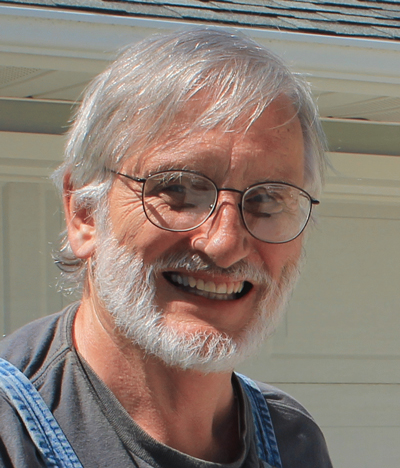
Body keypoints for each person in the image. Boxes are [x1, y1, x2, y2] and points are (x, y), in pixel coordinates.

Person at [0, 27, 332, 467]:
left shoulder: (293, 440)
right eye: (177, 189)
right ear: (83, 212)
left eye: (269, 199)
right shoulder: (11, 434)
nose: (225, 244)